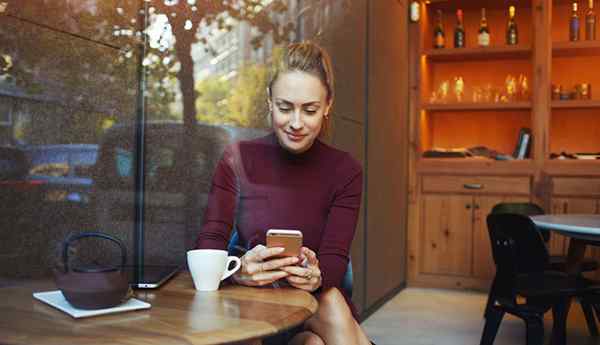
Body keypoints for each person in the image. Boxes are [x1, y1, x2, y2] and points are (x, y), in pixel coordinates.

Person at [196, 41, 371, 345]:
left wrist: (317, 275)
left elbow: (334, 259)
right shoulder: (237, 159)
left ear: (328, 104)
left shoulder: (345, 170)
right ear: (269, 101)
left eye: (310, 110)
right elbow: (209, 243)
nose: (296, 123)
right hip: (252, 304)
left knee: (326, 310)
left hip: (314, 305)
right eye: (285, 107)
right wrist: (237, 273)